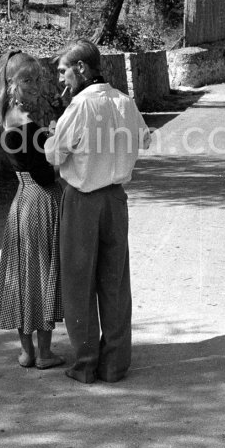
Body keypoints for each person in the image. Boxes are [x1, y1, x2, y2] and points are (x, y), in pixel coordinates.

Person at [44, 38, 150, 384]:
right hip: (115, 200)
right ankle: (115, 363)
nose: (61, 78)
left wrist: (53, 133)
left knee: (79, 283)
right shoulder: (124, 102)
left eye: (64, 71)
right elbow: (144, 139)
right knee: (115, 282)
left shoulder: (80, 107)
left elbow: (55, 154)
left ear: (81, 68)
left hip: (83, 199)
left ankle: (86, 363)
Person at [0, 50, 65, 370]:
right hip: (41, 200)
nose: (35, 86)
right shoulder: (26, 126)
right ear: (12, 84)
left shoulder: (7, 115)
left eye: (37, 79)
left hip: (22, 200)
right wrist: (59, 151)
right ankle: (45, 353)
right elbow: (45, 174)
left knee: (23, 274)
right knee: (42, 273)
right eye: (27, 80)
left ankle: (27, 352)